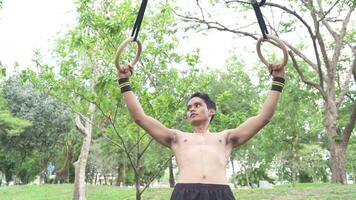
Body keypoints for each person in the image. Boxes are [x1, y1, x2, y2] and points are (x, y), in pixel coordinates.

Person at [118, 63, 285, 200]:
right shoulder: (177, 137)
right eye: (189, 107)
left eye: (197, 105)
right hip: (185, 194)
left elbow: (263, 118)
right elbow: (140, 117)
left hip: (220, 194)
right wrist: (124, 82)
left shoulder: (226, 138)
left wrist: (278, 80)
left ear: (211, 111)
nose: (191, 109)